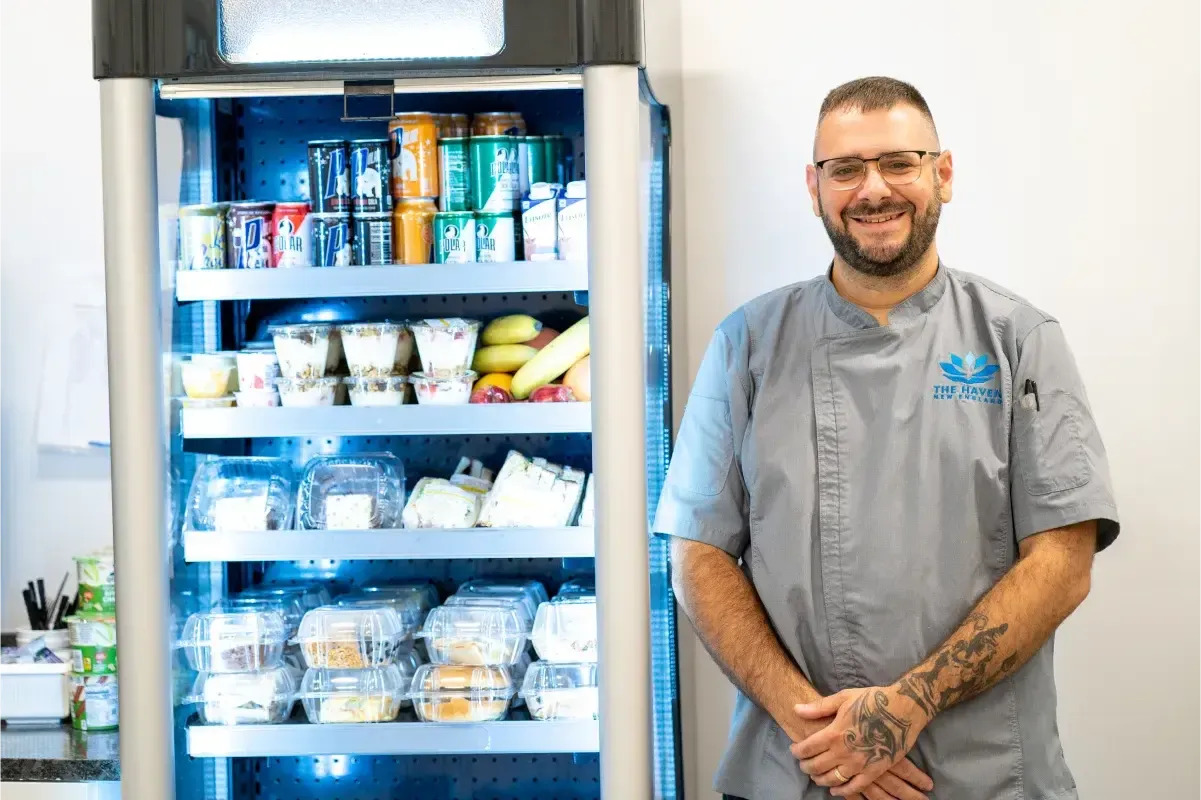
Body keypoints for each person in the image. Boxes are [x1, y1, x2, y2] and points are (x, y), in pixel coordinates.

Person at [654, 76, 1120, 800]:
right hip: (797, 769)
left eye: (898, 163)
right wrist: (824, 736)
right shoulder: (747, 343)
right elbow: (697, 553)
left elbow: (1062, 559)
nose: (872, 189)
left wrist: (908, 706)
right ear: (813, 187)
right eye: (845, 169)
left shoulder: (1017, 340)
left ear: (943, 174)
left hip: (980, 776)